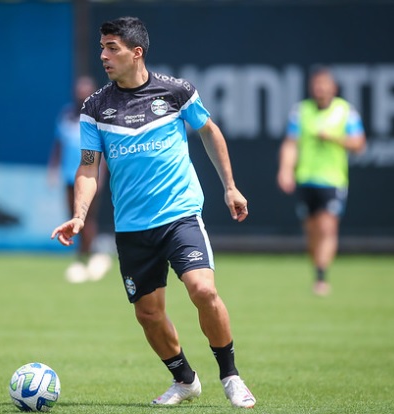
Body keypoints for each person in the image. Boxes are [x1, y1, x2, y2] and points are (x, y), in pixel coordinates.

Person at [51, 16, 256, 408]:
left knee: (203, 289)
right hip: (132, 227)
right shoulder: (95, 107)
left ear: (136, 52)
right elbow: (89, 167)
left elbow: (209, 131)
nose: (103, 56)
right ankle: (185, 380)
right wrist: (80, 214)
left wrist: (230, 186)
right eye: (101, 48)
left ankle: (230, 375)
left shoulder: (176, 92)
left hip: (180, 215)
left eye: (112, 48)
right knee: (148, 314)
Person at [277, 67, 366, 296]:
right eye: (317, 85)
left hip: (332, 179)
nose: (320, 89)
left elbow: (359, 144)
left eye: (324, 85)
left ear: (333, 88)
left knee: (327, 227)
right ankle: (317, 268)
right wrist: (286, 170)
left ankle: (321, 276)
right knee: (312, 232)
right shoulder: (301, 111)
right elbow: (291, 143)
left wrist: (334, 138)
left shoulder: (345, 112)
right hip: (306, 178)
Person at [48, 75, 111, 283]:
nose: (81, 96)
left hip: (89, 177)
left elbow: (104, 150)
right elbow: (58, 144)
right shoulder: (66, 114)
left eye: (85, 92)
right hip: (69, 175)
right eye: (79, 92)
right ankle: (84, 254)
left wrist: (100, 175)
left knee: (87, 218)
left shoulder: (99, 116)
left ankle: (86, 255)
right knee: (73, 216)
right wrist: (53, 169)